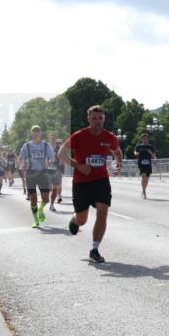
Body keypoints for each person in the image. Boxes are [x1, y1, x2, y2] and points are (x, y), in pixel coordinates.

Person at [58, 105, 123, 263]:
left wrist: (118, 163)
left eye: (100, 118)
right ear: (89, 119)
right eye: (94, 118)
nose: (97, 121)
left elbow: (117, 153)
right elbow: (61, 154)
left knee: (103, 211)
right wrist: (78, 165)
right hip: (82, 182)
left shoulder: (109, 137)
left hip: (101, 180)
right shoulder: (80, 136)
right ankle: (74, 219)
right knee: (82, 219)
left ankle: (94, 249)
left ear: (104, 119)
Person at [18, 126, 56, 227]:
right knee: (33, 199)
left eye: (38, 132)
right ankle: (36, 220)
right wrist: (23, 165)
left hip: (43, 173)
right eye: (34, 132)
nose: (36, 133)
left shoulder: (46, 145)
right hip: (30, 173)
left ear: (40, 133)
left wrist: (48, 162)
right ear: (31, 133)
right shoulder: (27, 146)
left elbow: (53, 157)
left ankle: (40, 210)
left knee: (46, 199)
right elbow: (21, 158)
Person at [134, 132, 158, 199]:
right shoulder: (138, 146)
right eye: (144, 138)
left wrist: (150, 153)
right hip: (141, 164)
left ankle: (144, 189)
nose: (145, 140)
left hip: (148, 164)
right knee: (144, 176)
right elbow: (135, 152)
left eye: (146, 138)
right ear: (142, 139)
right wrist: (136, 153)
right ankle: (144, 191)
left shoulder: (150, 146)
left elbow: (154, 156)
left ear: (148, 139)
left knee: (147, 179)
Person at [48, 134, 64, 211]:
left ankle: (52, 205)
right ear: (49, 139)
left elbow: (62, 159)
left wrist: (61, 170)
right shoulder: (46, 147)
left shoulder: (59, 148)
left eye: (54, 138)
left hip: (56, 170)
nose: (53, 140)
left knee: (55, 188)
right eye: (52, 138)